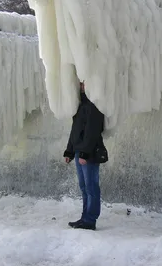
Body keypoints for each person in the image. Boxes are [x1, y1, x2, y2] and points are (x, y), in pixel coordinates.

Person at [63, 81, 107, 231]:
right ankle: (84, 217)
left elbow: (93, 132)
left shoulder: (95, 105)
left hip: (89, 153)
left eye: (84, 84)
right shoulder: (80, 105)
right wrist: (69, 151)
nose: (82, 87)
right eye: (80, 84)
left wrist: (85, 153)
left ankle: (90, 220)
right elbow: (75, 131)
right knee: (84, 187)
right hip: (79, 152)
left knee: (91, 187)